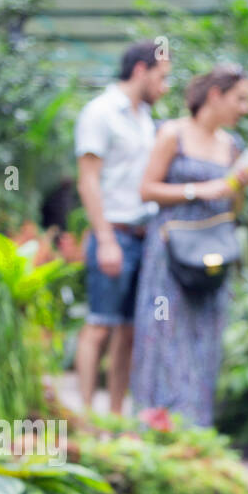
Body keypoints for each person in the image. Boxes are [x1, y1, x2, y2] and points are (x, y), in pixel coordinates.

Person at [131, 64, 248, 427]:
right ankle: (156, 426)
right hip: (170, 254)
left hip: (212, 256)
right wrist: (198, 190)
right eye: (240, 99)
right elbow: (147, 190)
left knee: (206, 338)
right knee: (165, 335)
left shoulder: (232, 146)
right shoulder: (172, 134)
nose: (245, 108)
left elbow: (231, 208)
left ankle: (196, 430)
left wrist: (238, 187)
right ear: (215, 95)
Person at [74, 40, 171, 414]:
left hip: (144, 238)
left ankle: (115, 417)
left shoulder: (146, 120)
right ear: (140, 71)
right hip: (112, 233)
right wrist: (105, 239)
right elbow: (88, 180)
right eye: (162, 77)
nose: (165, 87)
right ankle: (83, 414)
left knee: (128, 332)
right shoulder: (100, 112)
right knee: (100, 324)